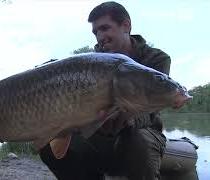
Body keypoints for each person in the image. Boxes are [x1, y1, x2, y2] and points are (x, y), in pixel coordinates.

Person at [39, 1, 171, 180]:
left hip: (142, 132)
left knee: (137, 141)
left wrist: (126, 119)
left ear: (126, 26)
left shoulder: (156, 59)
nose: (100, 36)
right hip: (98, 134)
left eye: (105, 28)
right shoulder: (92, 62)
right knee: (48, 144)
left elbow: (150, 113)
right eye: (96, 32)